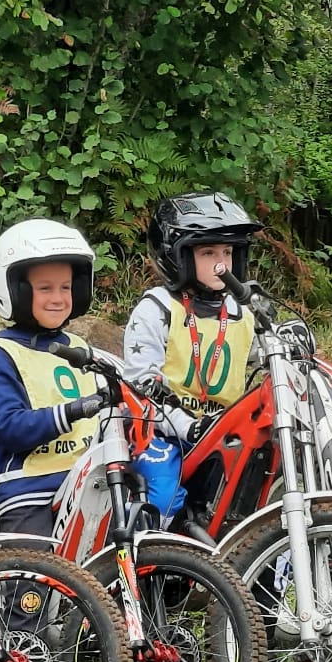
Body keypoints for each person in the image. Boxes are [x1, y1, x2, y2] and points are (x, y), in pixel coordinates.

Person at [0, 218, 104, 662]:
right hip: (30, 491)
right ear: (15, 290)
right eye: (44, 287)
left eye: (66, 286)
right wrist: (74, 410)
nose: (58, 297)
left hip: (89, 488)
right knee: (30, 594)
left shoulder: (81, 347)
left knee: (124, 579)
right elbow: (8, 427)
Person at [121, 192, 261, 535]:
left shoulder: (244, 313)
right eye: (208, 253)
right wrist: (186, 426)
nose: (221, 264)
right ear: (177, 257)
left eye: (227, 252)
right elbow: (140, 387)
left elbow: (268, 357)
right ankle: (139, 560)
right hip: (162, 431)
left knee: (262, 486)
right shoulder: (157, 309)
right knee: (161, 495)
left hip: (224, 433)